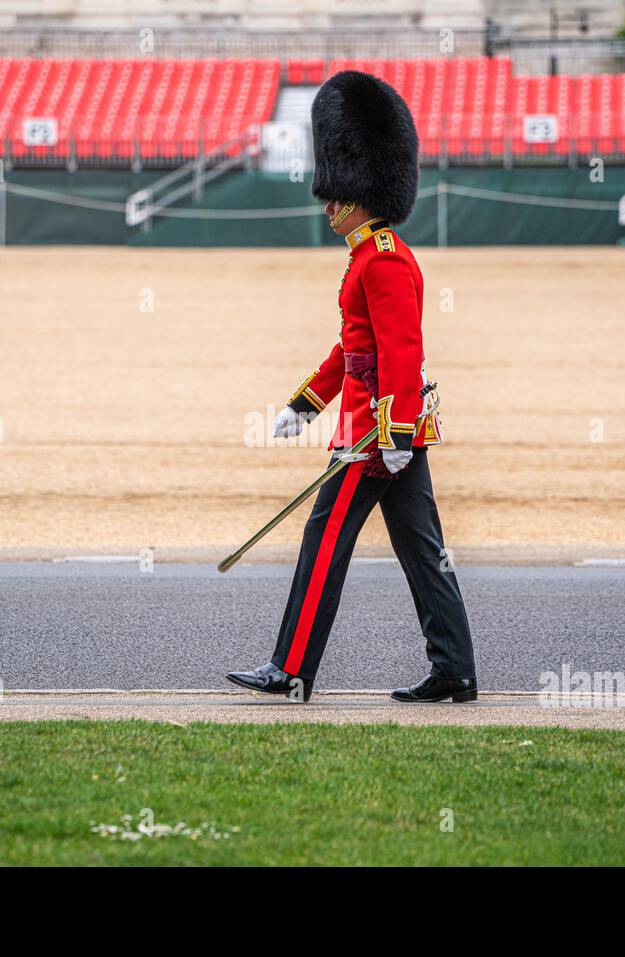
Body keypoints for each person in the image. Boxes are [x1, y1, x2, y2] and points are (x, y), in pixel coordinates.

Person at [226, 71, 477, 705]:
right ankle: (455, 669)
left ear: (360, 192)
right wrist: (305, 403)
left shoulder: (384, 258)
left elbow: (400, 352)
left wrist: (389, 433)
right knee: (424, 554)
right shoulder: (370, 255)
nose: (327, 204)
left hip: (373, 436)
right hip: (386, 430)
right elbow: (354, 350)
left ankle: (290, 670)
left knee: (324, 541)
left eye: (336, 195)